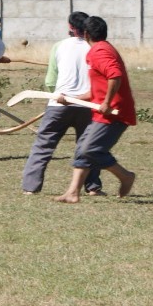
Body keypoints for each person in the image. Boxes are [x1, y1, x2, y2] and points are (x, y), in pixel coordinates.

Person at [55, 16, 137, 204]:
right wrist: (72, 99)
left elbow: (114, 76)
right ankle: (72, 193)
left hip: (113, 113)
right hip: (102, 112)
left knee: (90, 149)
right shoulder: (103, 49)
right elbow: (97, 90)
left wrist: (107, 103)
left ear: (85, 34)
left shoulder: (99, 52)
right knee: (82, 150)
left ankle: (125, 176)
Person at [21, 12, 103, 195]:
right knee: (88, 147)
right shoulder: (95, 48)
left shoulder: (59, 46)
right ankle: (93, 187)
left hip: (59, 104)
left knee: (43, 145)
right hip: (88, 105)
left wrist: (56, 95)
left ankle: (30, 187)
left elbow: (51, 80)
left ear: (70, 27)